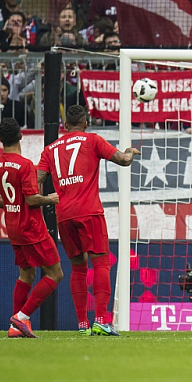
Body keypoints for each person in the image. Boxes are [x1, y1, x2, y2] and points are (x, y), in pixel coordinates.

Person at [36, 105, 140, 336]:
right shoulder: (92, 140)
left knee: (78, 267)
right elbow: (123, 160)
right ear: (85, 122)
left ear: (64, 125)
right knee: (101, 263)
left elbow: (37, 178)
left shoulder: (50, 149)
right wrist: (130, 152)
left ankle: (83, 324)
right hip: (89, 211)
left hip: (63, 215)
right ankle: (101, 320)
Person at [0, 118, 63, 338]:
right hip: (31, 227)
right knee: (55, 273)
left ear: (0, 139)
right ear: (21, 136)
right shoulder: (25, 165)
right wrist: (51, 199)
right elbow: (31, 200)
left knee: (26, 274)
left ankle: (14, 326)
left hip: (13, 228)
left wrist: (11, 205)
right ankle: (22, 316)